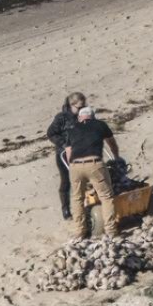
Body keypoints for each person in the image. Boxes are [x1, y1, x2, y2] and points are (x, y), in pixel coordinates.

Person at [60, 104, 121, 239]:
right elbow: (112, 143)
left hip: (75, 166)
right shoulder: (100, 125)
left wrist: (74, 167)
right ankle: (111, 230)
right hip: (95, 164)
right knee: (106, 197)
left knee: (77, 199)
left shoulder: (72, 129)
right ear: (93, 117)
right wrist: (116, 158)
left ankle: (79, 232)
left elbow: (69, 152)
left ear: (80, 118)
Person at [47, 91, 86, 219]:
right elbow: (51, 133)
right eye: (79, 107)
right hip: (63, 154)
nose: (81, 109)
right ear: (71, 105)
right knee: (66, 182)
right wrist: (64, 144)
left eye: (83, 106)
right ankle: (65, 209)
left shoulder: (84, 115)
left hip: (83, 151)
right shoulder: (61, 118)